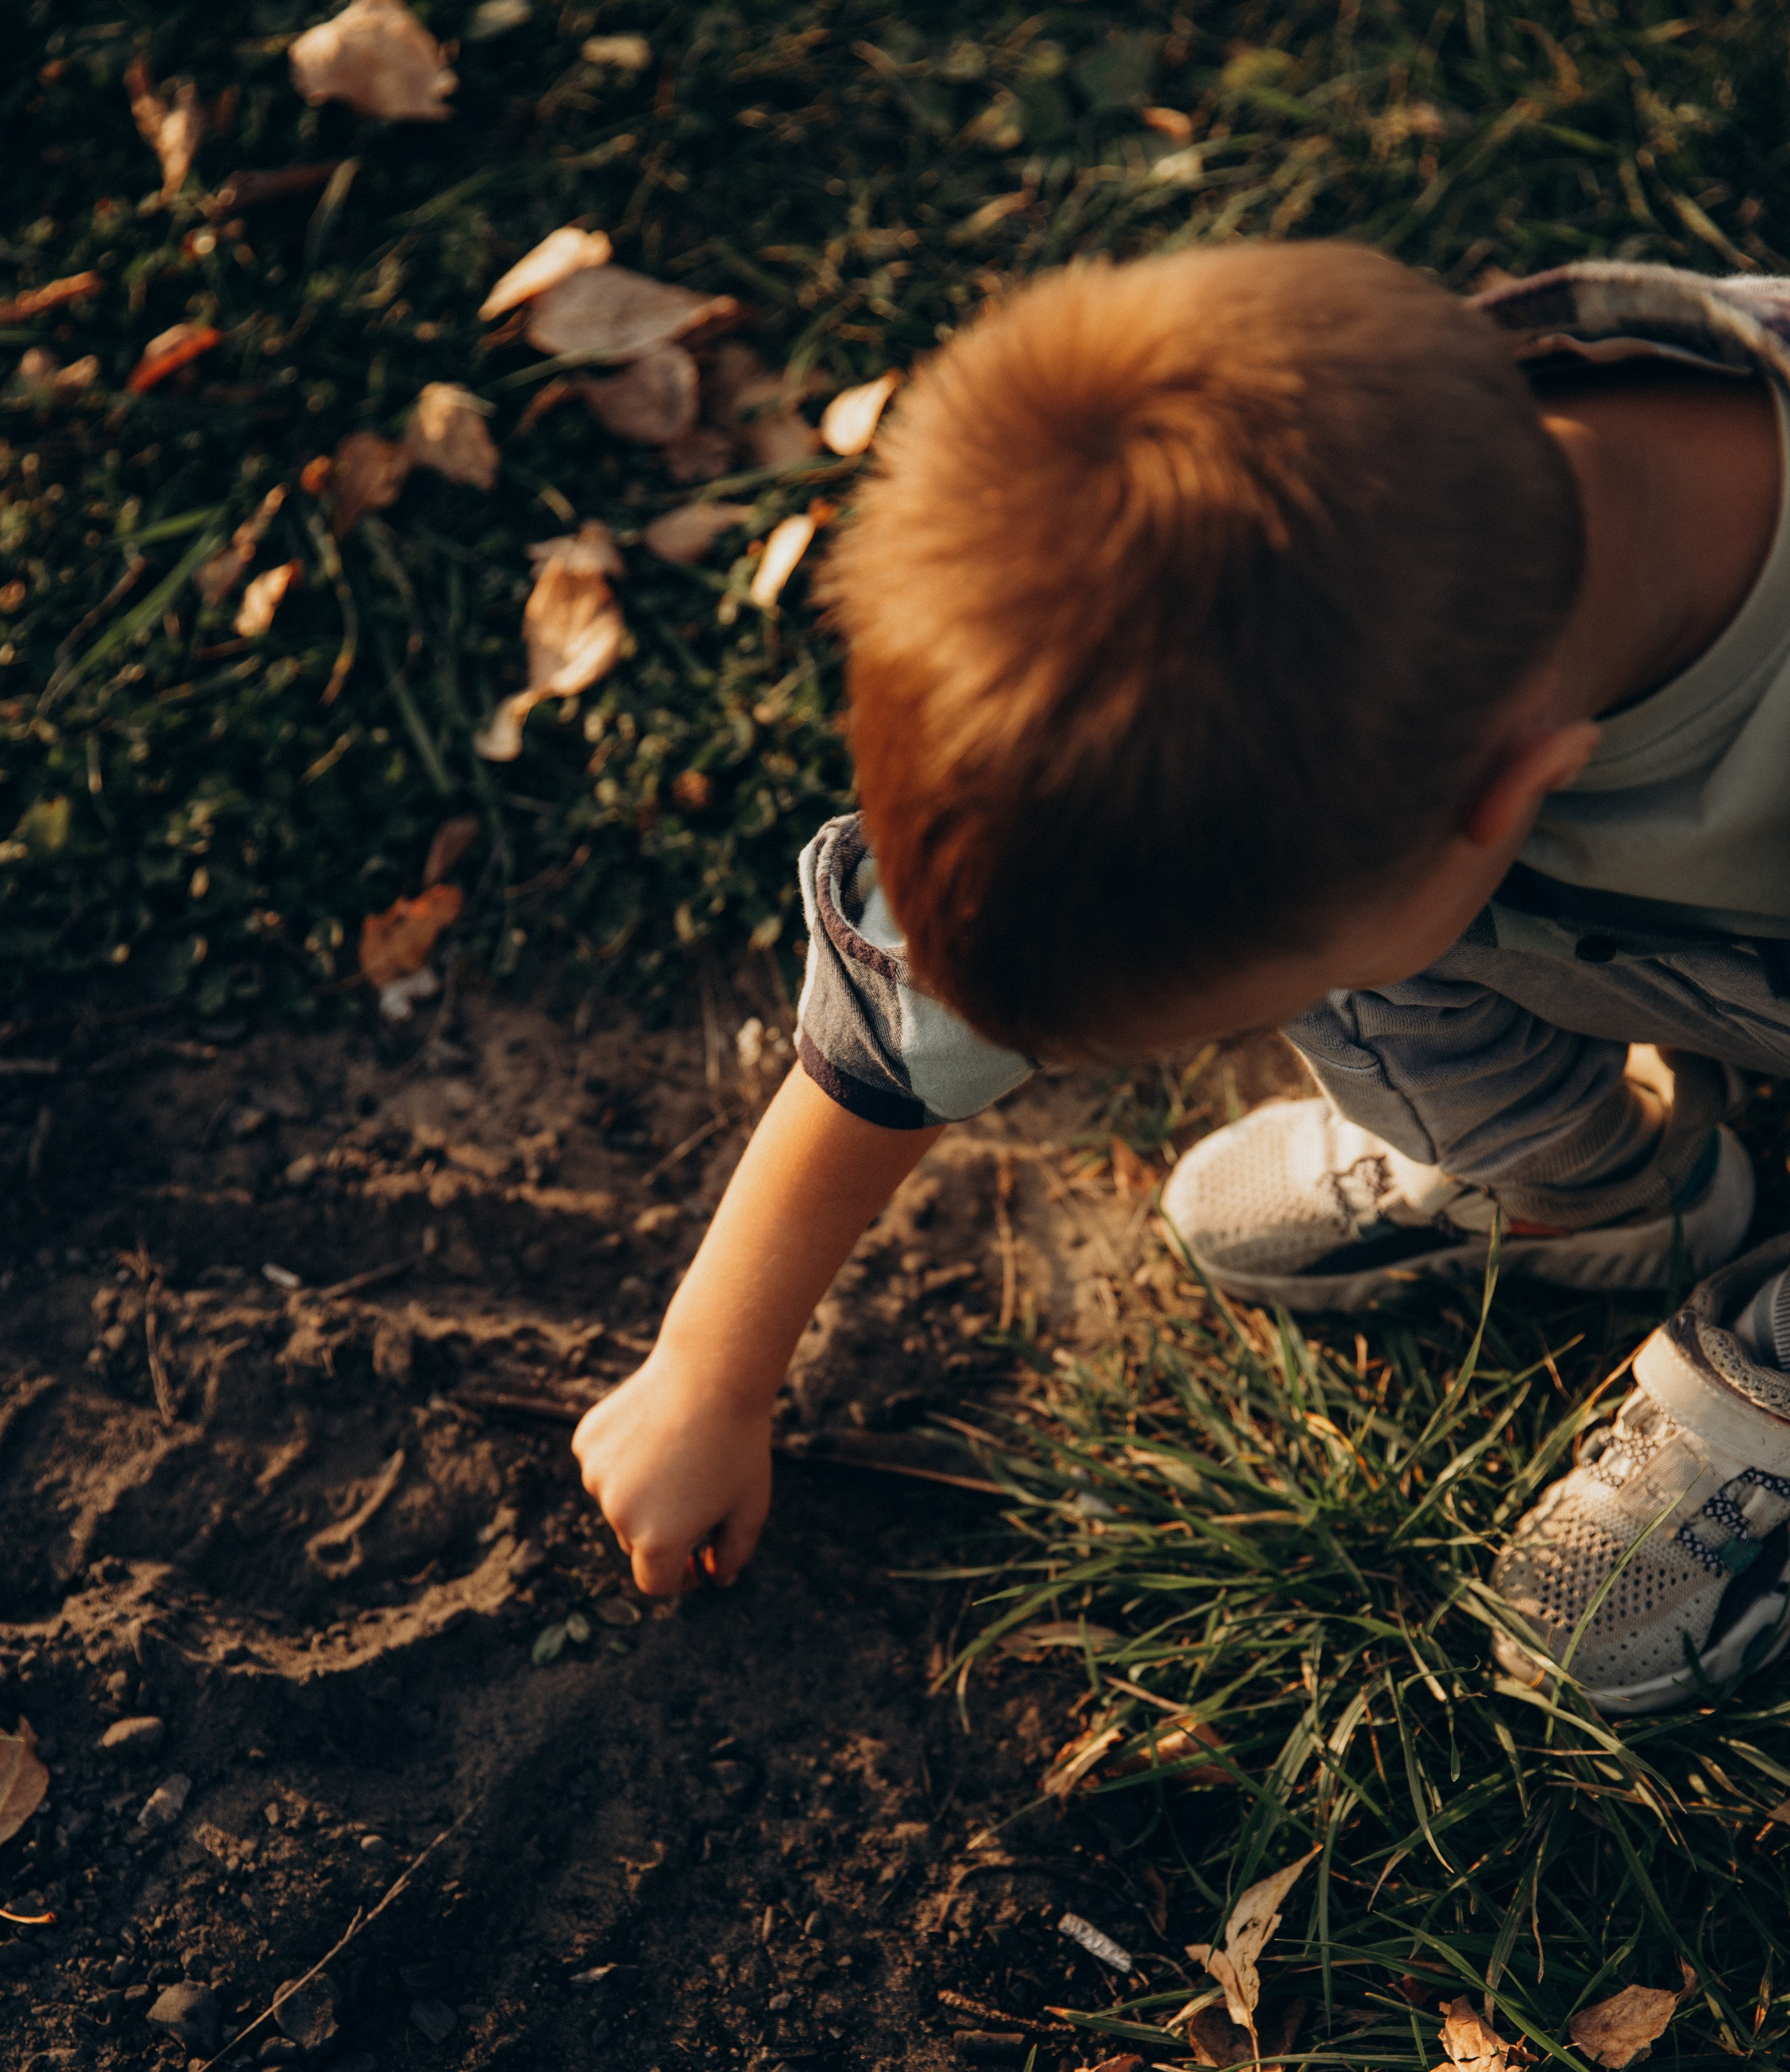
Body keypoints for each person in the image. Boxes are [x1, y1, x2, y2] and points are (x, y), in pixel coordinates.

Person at [575, 238, 1790, 1716]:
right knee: (1333, 924)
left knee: (1350, 930)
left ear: (1516, 792)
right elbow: (920, 1014)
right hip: (1634, 924)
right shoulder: (1318, 592)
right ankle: (1582, 1187)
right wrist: (710, 1365)